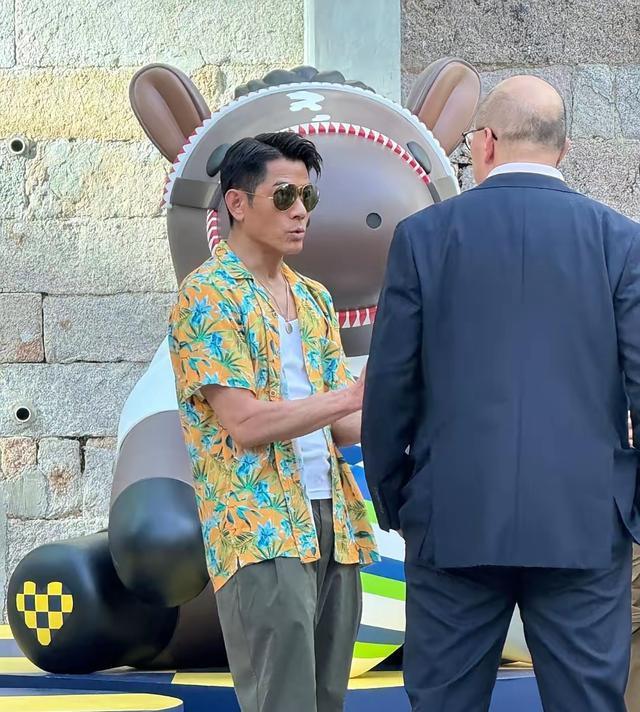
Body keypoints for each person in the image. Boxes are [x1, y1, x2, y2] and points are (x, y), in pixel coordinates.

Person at [362, 75, 640, 711]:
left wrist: (396, 497)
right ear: (563, 149)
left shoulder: (423, 236)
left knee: (445, 702)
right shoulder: (620, 241)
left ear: (484, 142)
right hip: (585, 517)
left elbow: (391, 385)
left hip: (452, 513)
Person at [168, 132, 378, 712]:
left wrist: (416, 414)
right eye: (284, 196)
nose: (299, 211)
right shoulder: (207, 295)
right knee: (281, 702)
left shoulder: (313, 298)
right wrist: (351, 396)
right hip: (258, 525)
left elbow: (343, 425)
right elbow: (247, 425)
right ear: (236, 203)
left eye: (308, 198)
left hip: (332, 520)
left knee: (328, 699)